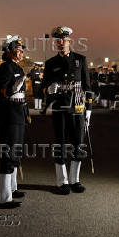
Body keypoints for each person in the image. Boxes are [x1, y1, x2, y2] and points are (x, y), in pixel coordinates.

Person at [41, 26, 92, 195]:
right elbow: (43, 87)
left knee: (78, 143)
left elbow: (87, 86)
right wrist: (49, 88)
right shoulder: (50, 63)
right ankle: (62, 181)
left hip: (77, 105)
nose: (60, 43)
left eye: (63, 40)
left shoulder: (80, 59)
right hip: (60, 107)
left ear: (69, 41)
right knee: (60, 143)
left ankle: (75, 180)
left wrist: (89, 109)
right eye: (57, 40)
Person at [0, 35, 29, 209]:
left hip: (18, 113)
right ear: (9, 51)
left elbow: (23, 96)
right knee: (8, 154)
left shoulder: (17, 68)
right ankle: (2, 197)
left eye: (22, 50)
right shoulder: (5, 68)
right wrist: (10, 89)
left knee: (16, 153)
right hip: (9, 114)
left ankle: (12, 189)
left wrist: (26, 112)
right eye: (19, 49)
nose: (21, 52)